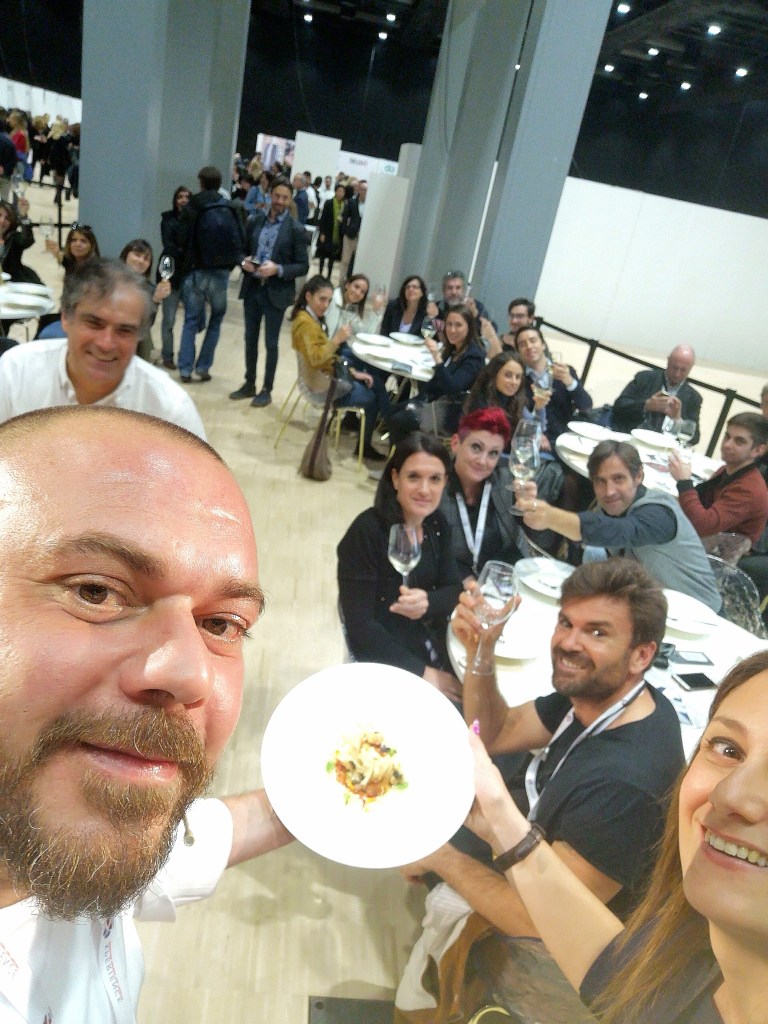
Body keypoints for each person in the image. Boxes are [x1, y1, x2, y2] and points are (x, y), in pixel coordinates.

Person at [0, 405, 293, 1019]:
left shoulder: (53, 827)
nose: (192, 675)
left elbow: (176, 842)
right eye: (96, 591)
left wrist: (330, 801)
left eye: (222, 624)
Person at [467, 646, 768, 1024]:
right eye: (728, 749)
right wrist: (496, 819)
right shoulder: (698, 938)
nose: (730, 795)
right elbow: (619, 974)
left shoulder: (627, 783)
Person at [403, 559, 684, 940]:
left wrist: (440, 857)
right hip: (542, 842)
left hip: (568, 946)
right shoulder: (599, 691)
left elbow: (540, 923)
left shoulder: (627, 786)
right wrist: (481, 651)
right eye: (566, 623)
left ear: (642, 655)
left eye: (597, 632)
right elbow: (497, 733)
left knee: (431, 834)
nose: (568, 643)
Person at [0, 259, 206, 438]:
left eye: (124, 330)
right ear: (66, 318)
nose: (106, 344)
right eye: (94, 323)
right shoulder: (16, 374)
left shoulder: (170, 411)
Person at [518, 439, 722, 612]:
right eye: (600, 481)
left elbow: (617, 531)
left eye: (618, 479)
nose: (609, 491)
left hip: (700, 616)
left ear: (638, 476)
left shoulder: (659, 513)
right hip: (652, 607)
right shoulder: (607, 508)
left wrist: (550, 517)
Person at [337, 432, 463, 700]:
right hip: (382, 655)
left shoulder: (437, 525)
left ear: (445, 482)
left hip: (426, 640)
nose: (425, 490)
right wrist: (423, 673)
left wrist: (428, 602)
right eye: (414, 477)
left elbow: (454, 589)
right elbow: (360, 625)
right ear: (395, 478)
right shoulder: (366, 533)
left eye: (435, 479)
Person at [290, 275, 388, 462]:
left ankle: (380, 423)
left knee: (371, 380)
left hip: (322, 377)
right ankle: (369, 441)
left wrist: (351, 372)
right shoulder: (306, 323)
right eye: (322, 299)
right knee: (372, 396)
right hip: (320, 386)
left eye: (328, 301)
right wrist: (336, 340)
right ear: (308, 296)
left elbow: (325, 358)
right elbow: (317, 359)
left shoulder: (310, 318)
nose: (326, 305)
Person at [229, 176, 308, 408]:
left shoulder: (296, 229)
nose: (280, 201)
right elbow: (240, 250)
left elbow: (303, 265)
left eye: (285, 197)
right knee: (250, 339)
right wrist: (243, 262)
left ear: (290, 200)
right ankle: (249, 383)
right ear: (270, 195)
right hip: (253, 289)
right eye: (277, 196)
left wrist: (278, 269)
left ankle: (266, 389)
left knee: (271, 343)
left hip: (276, 293)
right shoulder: (255, 221)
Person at [440, 408, 528, 584]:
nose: (482, 461)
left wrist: (531, 513)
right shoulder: (436, 488)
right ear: (456, 443)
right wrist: (468, 583)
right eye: (476, 447)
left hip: (508, 579)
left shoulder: (506, 483)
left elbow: (526, 540)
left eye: (493, 453)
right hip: (455, 585)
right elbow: (433, 554)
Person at [176, 165, 247, 384]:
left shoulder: (192, 206)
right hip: (221, 273)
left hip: (196, 270)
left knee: (190, 320)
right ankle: (203, 367)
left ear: (201, 182)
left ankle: (185, 369)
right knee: (216, 320)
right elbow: (241, 238)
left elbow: (180, 239)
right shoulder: (229, 206)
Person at [387, 304, 486, 445]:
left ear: (469, 327)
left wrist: (437, 358)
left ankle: (409, 454)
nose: (452, 330)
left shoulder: (474, 356)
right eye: (449, 324)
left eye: (458, 325)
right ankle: (407, 453)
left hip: (451, 414)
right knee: (390, 411)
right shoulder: (453, 349)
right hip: (434, 405)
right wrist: (417, 401)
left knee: (399, 421)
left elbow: (453, 389)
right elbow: (435, 382)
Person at [670, 412, 768, 547]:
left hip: (720, 554)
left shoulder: (749, 489)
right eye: (727, 436)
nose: (727, 445)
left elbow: (703, 525)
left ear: (758, 450)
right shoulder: (728, 469)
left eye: (739, 441)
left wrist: (684, 483)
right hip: (706, 541)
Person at [516, 325, 592, 446]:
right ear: (519, 352)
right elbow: (517, 413)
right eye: (523, 344)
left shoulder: (564, 371)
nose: (529, 346)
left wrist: (570, 382)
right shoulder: (518, 378)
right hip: (533, 439)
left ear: (543, 344)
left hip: (565, 438)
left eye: (533, 340)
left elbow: (586, 406)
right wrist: (534, 433)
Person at [611, 345, 702, 443]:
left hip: (666, 446)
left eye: (683, 370)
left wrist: (678, 420)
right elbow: (619, 406)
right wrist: (646, 405)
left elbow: (694, 438)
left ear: (691, 367)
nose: (677, 374)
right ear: (668, 361)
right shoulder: (644, 378)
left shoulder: (693, 397)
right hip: (633, 439)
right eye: (674, 367)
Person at [118, 239, 172, 362]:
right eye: (137, 255)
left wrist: (156, 300)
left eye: (146, 259)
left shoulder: (149, 289)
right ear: (126, 255)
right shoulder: (108, 278)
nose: (141, 261)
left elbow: (147, 324)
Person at [157, 185, 192, 369]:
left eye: (187, 197)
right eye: (180, 197)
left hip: (189, 274)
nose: (183, 200)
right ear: (175, 200)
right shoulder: (167, 219)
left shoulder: (195, 220)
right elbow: (169, 246)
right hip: (170, 271)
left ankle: (185, 357)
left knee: (192, 320)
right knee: (169, 318)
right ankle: (167, 355)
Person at [465, 350, 527, 439]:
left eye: (518, 377)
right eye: (508, 375)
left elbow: (531, 427)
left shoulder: (516, 400)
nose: (514, 382)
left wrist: (539, 408)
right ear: (494, 375)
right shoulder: (480, 404)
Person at [0, 197, 41, 284]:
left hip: (13, 283)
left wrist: (24, 217)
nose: (2, 221)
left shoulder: (14, 238)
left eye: (7, 218)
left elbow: (27, 240)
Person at [314, 182, 345, 280]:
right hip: (327, 233)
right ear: (335, 192)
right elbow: (323, 218)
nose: (340, 193)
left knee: (332, 257)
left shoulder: (344, 205)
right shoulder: (329, 203)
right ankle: (320, 274)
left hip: (336, 235)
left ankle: (329, 276)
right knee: (323, 255)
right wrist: (322, 233)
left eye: (342, 192)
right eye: (339, 191)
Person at [339, 179, 366, 280]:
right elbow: (344, 217)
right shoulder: (352, 202)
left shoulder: (370, 204)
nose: (364, 192)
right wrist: (346, 231)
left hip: (363, 237)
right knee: (345, 260)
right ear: (358, 189)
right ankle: (341, 283)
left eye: (366, 190)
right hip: (350, 235)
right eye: (362, 189)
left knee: (359, 261)